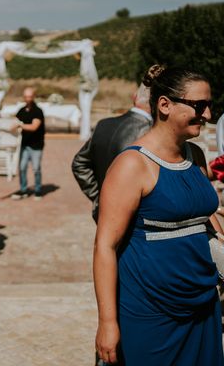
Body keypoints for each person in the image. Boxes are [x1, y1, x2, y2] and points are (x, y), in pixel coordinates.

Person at [94, 66, 224, 365]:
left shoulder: (196, 156)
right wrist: (108, 322)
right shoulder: (132, 164)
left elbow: (202, 217)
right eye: (199, 106)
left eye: (209, 105)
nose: (207, 115)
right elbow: (104, 246)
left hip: (203, 301)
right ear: (164, 105)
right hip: (151, 308)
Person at [72, 77, 153, 223]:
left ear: (134, 97)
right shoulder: (151, 133)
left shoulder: (104, 124)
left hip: (103, 214)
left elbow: (79, 163)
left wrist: (99, 197)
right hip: (136, 221)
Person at [11, 87, 45, 200]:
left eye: (29, 96)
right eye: (25, 96)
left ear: (33, 97)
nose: (27, 99)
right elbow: (15, 121)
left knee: (36, 169)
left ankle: (38, 190)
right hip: (24, 144)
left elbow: (34, 127)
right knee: (22, 168)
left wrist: (20, 125)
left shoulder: (37, 111)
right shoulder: (21, 110)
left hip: (36, 145)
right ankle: (24, 189)